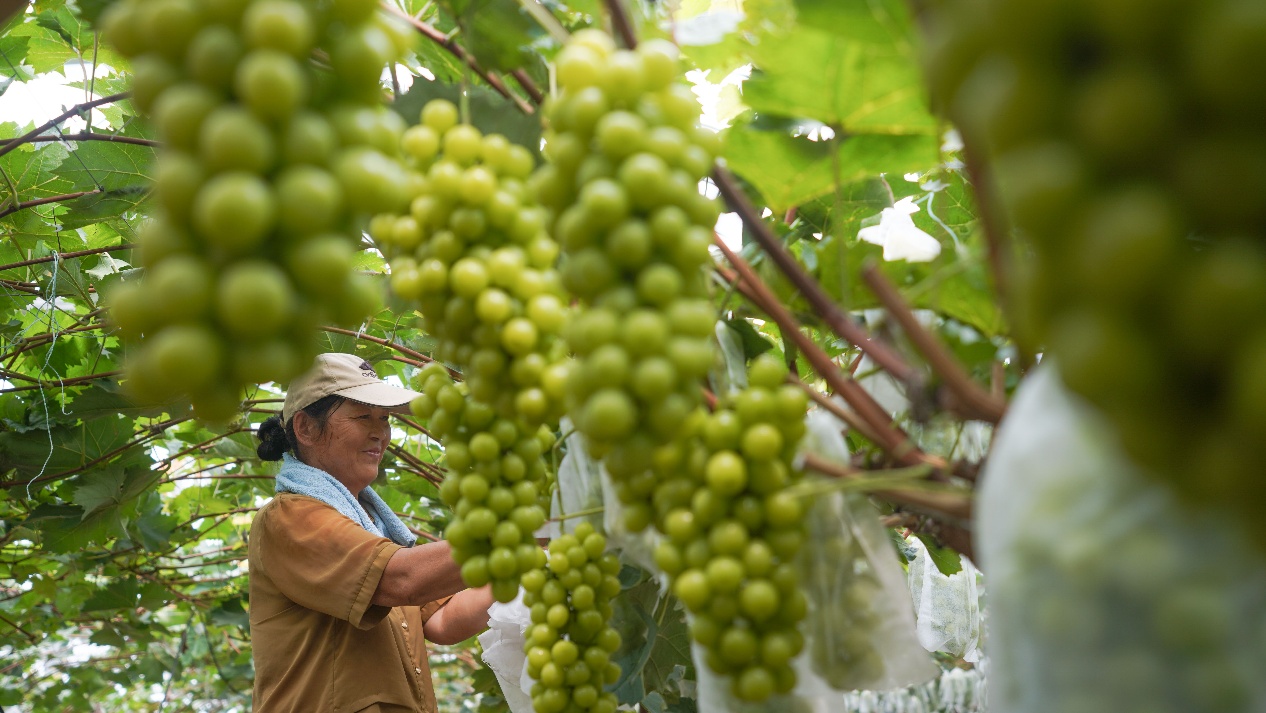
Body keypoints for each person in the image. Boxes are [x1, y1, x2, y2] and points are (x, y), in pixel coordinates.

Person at [249, 352, 493, 713]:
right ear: (305, 428)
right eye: (363, 416)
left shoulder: (373, 527)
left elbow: (443, 621)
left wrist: (530, 561)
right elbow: (401, 579)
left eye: (385, 419)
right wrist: (513, 531)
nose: (380, 433)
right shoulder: (290, 518)